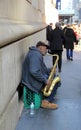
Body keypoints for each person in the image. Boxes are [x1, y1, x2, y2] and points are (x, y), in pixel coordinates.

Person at [21, 41, 58, 109]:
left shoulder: (36, 54)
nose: (47, 51)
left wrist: (50, 70)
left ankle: (49, 96)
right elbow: (34, 71)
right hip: (31, 82)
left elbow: (40, 69)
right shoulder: (36, 55)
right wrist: (45, 81)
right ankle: (46, 101)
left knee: (54, 78)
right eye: (46, 48)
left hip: (31, 79)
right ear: (40, 47)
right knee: (56, 81)